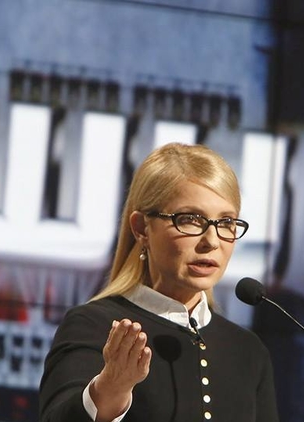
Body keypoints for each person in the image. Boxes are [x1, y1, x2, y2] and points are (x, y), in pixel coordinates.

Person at [39, 143, 280, 422]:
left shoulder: (248, 350)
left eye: (226, 222)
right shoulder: (94, 325)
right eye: (191, 219)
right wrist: (110, 390)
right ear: (142, 228)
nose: (212, 241)